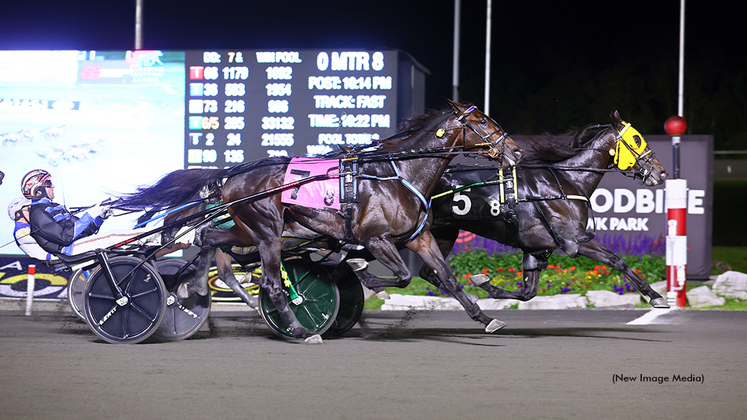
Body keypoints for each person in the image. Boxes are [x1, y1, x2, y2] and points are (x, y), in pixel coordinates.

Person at [20, 169, 192, 257]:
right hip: (70, 249)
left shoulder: (53, 207)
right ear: (38, 191)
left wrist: (100, 216)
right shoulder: (38, 214)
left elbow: (85, 230)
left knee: (120, 237)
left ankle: (168, 238)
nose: (53, 186)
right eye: (49, 183)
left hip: (79, 243)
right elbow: (66, 237)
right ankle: (170, 238)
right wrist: (90, 214)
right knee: (115, 236)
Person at [8, 197, 58, 262]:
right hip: (51, 258)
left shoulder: (28, 226)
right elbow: (48, 237)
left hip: (55, 255)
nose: (31, 212)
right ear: (18, 214)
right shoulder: (20, 231)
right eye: (27, 209)